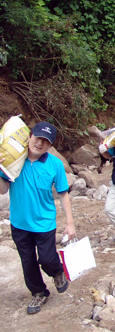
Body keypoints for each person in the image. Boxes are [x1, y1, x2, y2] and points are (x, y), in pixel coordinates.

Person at [0, 122, 75, 315]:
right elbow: (3, 190)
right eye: (38, 137)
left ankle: (57, 272)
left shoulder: (55, 165)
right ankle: (39, 292)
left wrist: (70, 223)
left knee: (47, 259)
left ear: (50, 146)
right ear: (29, 136)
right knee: (28, 262)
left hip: (44, 223)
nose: (39, 143)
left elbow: (63, 193)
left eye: (46, 141)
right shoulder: (15, 161)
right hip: (19, 223)